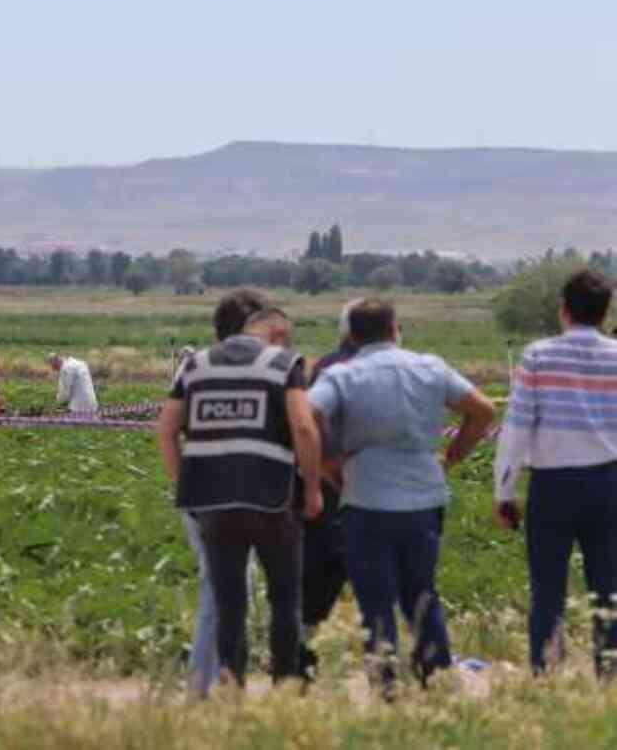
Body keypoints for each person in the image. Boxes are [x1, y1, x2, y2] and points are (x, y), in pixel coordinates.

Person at [308, 299, 494, 698]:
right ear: (395, 328)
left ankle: (386, 689)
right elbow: (482, 410)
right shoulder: (430, 367)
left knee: (374, 602)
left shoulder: (343, 375)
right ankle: (437, 681)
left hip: (365, 498)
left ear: (352, 336)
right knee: (422, 595)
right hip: (423, 498)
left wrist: (328, 463)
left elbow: (307, 417)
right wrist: (453, 455)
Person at [157, 302, 324, 688]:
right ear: (278, 333)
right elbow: (303, 427)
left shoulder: (195, 364)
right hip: (270, 499)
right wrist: (312, 489)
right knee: (283, 599)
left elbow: (166, 430)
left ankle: (233, 691)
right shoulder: (284, 364)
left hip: (213, 503)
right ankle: (284, 686)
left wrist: (186, 487)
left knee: (230, 604)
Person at [493, 269, 617, 677]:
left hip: (553, 485)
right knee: (609, 589)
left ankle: (545, 673)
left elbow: (516, 429)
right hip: (607, 483)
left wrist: (504, 491)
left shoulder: (538, 355)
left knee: (547, 589)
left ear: (563, 310)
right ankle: (609, 675)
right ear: (605, 312)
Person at [172, 289, 270, 696]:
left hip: (203, 493)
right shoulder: (257, 371)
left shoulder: (194, 369)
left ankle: (216, 679)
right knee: (223, 588)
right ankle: (203, 684)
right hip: (231, 495)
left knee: (229, 586)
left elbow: (169, 430)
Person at [298, 297, 364, 675]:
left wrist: (319, 474)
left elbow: (307, 425)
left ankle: (300, 659)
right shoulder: (399, 367)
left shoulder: (323, 366)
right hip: (374, 486)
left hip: (327, 484)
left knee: (316, 580)